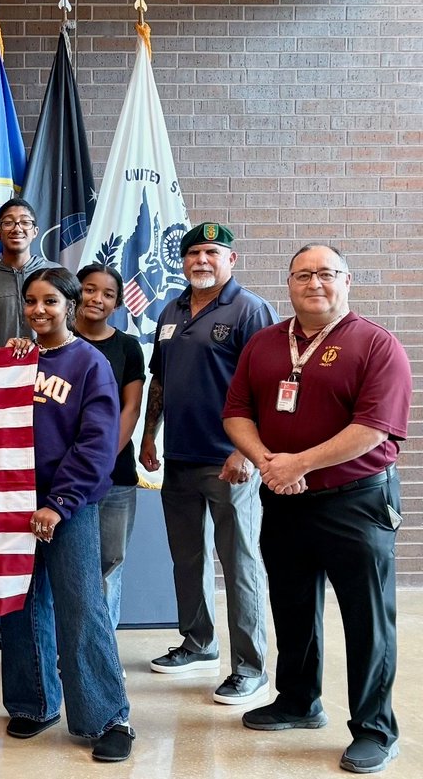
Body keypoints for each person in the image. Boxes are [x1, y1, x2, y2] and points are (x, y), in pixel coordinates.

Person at [223, 245, 410, 775]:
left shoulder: (377, 344)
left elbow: (373, 429)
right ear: (289, 283)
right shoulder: (263, 343)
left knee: (367, 618)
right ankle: (298, 701)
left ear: (346, 281)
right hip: (283, 500)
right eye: (303, 274)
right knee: (291, 604)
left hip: (356, 501)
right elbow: (237, 413)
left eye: (326, 274)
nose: (314, 283)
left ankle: (375, 728)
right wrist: (268, 463)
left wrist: (297, 462)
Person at [0, 267, 134, 763]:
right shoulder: (16, 361)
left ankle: (107, 716)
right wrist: (9, 361)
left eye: (51, 302)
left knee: (81, 608)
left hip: (67, 507)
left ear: (71, 305)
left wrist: (59, 504)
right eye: (31, 302)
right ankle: (34, 704)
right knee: (19, 605)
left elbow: (96, 445)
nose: (39, 311)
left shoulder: (90, 363)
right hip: (16, 504)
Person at [140, 222, 277, 705]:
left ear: (231, 260)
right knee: (188, 558)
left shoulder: (250, 309)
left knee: (240, 563)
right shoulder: (171, 310)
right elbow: (160, 379)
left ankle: (251, 668)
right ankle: (198, 644)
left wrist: (248, 451)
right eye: (193, 252)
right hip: (177, 456)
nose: (201, 259)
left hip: (229, 462)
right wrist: (149, 436)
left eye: (212, 252)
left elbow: (269, 386)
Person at [74, 264, 145, 634]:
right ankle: (60, 648)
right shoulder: (55, 340)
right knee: (68, 565)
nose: (96, 299)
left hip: (113, 476)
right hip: (62, 477)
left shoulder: (128, 347)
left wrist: (101, 463)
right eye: (89, 289)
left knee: (108, 563)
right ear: (75, 293)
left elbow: (130, 408)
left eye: (107, 294)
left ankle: (101, 649)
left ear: (117, 304)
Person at [0, 198, 61, 347]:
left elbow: (71, 326)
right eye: (8, 223)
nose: (17, 228)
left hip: (48, 365)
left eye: (25, 222)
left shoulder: (56, 273)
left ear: (35, 232)